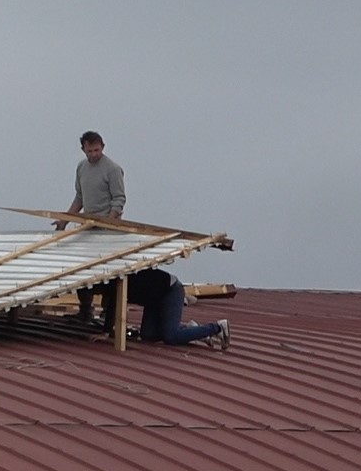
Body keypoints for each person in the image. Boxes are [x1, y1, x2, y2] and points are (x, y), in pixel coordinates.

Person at [55, 130, 127, 320]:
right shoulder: (81, 168)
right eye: (90, 151)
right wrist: (65, 219)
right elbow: (80, 197)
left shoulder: (112, 169)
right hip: (87, 226)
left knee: (109, 271)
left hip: (107, 230)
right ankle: (85, 309)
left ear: (102, 147)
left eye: (96, 150)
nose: (94, 154)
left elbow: (119, 199)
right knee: (81, 266)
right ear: (83, 150)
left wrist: (109, 222)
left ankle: (108, 312)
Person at [101, 267, 230, 349]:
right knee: (147, 335)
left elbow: (114, 304)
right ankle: (191, 329)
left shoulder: (114, 282)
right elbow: (114, 305)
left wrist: (106, 333)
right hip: (153, 298)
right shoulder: (111, 285)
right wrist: (106, 331)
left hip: (170, 291)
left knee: (171, 336)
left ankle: (217, 327)